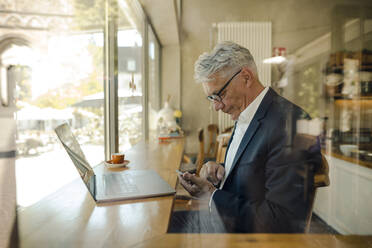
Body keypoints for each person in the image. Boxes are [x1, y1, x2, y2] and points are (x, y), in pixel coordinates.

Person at [173, 41, 321, 233]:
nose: (217, 106)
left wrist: (211, 195)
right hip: (227, 222)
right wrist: (222, 172)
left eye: (219, 94)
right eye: (211, 98)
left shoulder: (290, 125)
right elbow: (257, 168)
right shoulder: (250, 113)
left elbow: (282, 221)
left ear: (246, 77)